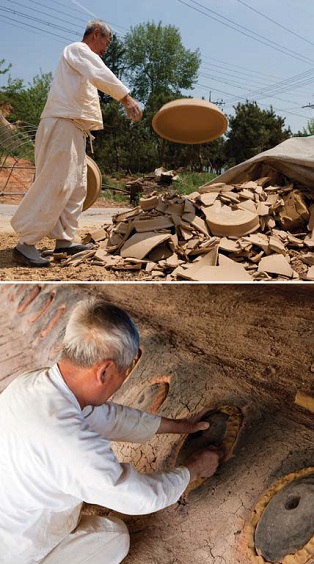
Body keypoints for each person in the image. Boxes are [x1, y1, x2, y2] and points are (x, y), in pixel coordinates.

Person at [0, 299, 221, 563]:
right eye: (123, 374)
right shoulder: (69, 441)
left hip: (13, 515)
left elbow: (106, 417)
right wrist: (193, 470)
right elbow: (136, 496)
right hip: (16, 549)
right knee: (115, 537)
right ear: (104, 371)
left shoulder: (34, 384)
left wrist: (179, 426)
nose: (121, 382)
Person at [11, 20, 143, 267]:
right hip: (62, 124)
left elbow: (93, 81)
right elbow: (101, 73)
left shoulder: (82, 63)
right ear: (96, 34)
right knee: (56, 183)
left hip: (75, 129)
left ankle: (64, 240)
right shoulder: (77, 50)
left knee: (76, 187)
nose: (107, 48)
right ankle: (25, 243)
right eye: (107, 41)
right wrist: (126, 98)